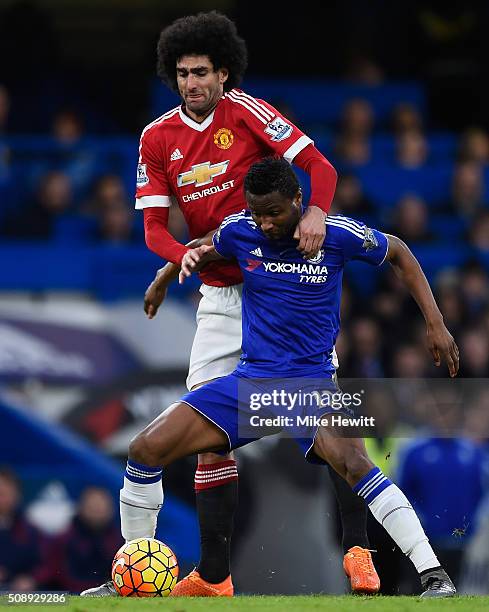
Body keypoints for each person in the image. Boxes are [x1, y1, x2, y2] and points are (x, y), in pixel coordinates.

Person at [80, 11, 380, 597]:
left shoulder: (247, 112)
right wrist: (179, 257)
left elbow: (319, 165)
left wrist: (317, 211)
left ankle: (361, 553)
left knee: (338, 429)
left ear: (223, 72)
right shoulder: (156, 137)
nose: (192, 83)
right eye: (183, 73)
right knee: (207, 435)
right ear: (174, 76)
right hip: (220, 298)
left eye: (202, 72)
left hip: (288, 288)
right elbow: (152, 229)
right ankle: (206, 577)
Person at [112, 158, 458, 597]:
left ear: (298, 200)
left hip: (311, 386)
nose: (265, 222)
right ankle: (129, 579)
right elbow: (205, 247)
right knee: (145, 448)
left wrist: (436, 323)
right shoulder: (243, 231)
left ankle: (433, 574)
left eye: (273, 211)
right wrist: (165, 276)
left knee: (355, 463)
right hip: (249, 385)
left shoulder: (336, 235)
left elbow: (400, 254)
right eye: (257, 211)